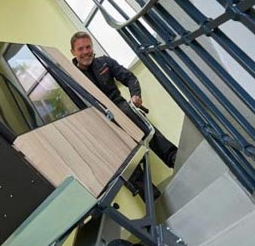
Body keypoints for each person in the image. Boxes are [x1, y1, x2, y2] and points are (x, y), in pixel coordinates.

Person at [70, 31, 178, 167]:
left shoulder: (105, 62)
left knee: (131, 114)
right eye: (80, 49)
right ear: (73, 52)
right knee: (122, 157)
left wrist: (135, 95)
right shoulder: (72, 76)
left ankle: (173, 156)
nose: (86, 52)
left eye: (88, 47)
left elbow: (129, 78)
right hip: (100, 119)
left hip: (120, 107)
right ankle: (140, 180)